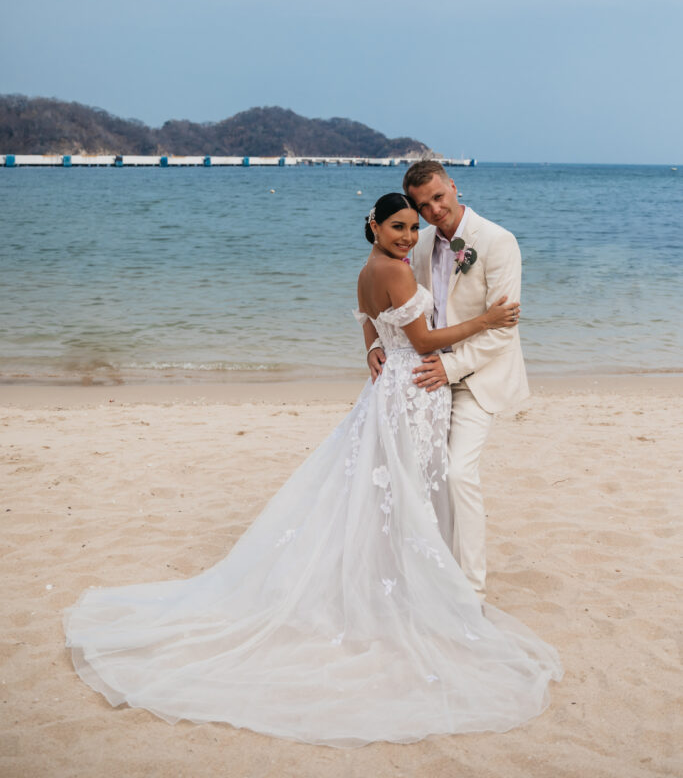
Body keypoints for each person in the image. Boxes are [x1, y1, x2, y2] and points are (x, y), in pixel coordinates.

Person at [64, 193, 561, 747]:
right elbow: (421, 340)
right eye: (398, 227)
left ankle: (400, 576)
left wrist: (372, 347)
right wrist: (487, 320)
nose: (408, 237)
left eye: (414, 228)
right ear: (373, 224)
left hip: (393, 389)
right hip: (413, 390)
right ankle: (407, 587)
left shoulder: (368, 270)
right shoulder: (395, 272)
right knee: (404, 488)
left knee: (390, 487)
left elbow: (368, 323)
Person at [368, 164, 529, 603]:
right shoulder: (414, 246)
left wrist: (451, 369)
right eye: (423, 205)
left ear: (453, 186)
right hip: (427, 380)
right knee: (425, 476)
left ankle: (471, 592)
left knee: (458, 473)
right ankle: (432, 572)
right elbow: (379, 299)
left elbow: (502, 330)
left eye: (439, 197)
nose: (434, 209)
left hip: (477, 377)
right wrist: (372, 347)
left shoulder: (497, 242)